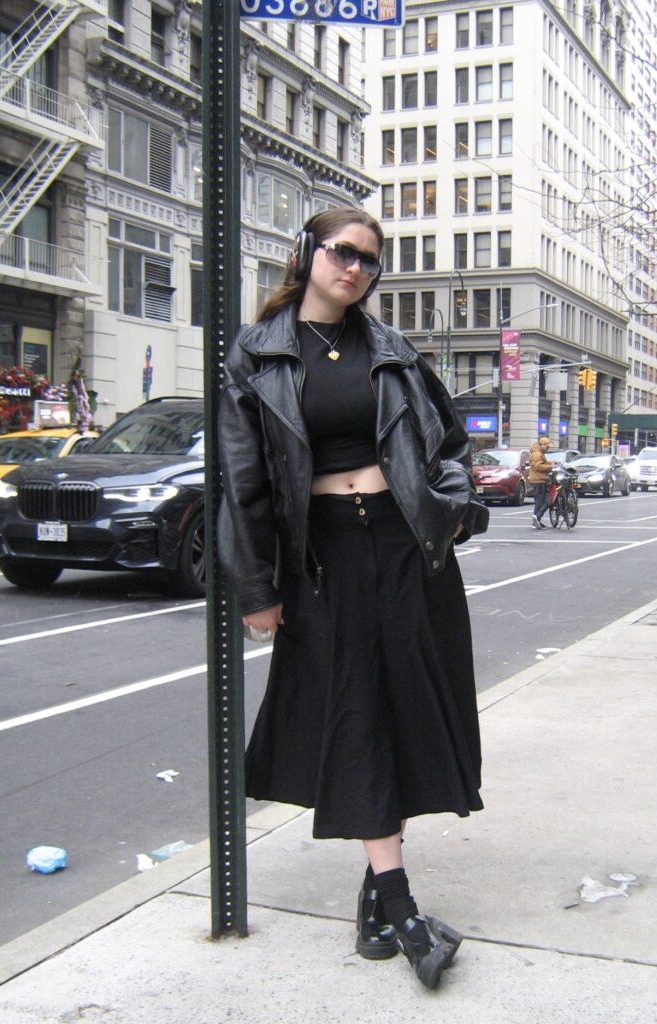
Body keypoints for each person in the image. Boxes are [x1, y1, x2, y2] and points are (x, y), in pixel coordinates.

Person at [217, 207, 489, 990]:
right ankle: (401, 910)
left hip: (408, 548)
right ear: (307, 254)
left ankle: (376, 902)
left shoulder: (391, 349)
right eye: (344, 253)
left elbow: (446, 444)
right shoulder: (258, 354)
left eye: (371, 260)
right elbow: (243, 484)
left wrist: (451, 506)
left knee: (401, 704)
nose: (357, 269)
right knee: (355, 710)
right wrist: (258, 588)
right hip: (325, 555)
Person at [529, 435, 553, 529]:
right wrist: (551, 467)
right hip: (538, 480)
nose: (548, 448)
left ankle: (536, 521)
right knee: (546, 501)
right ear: (542, 445)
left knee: (539, 501)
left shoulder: (539, 453)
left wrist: (551, 463)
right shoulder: (537, 454)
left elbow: (541, 464)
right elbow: (538, 466)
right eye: (547, 446)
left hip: (539, 479)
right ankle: (537, 517)